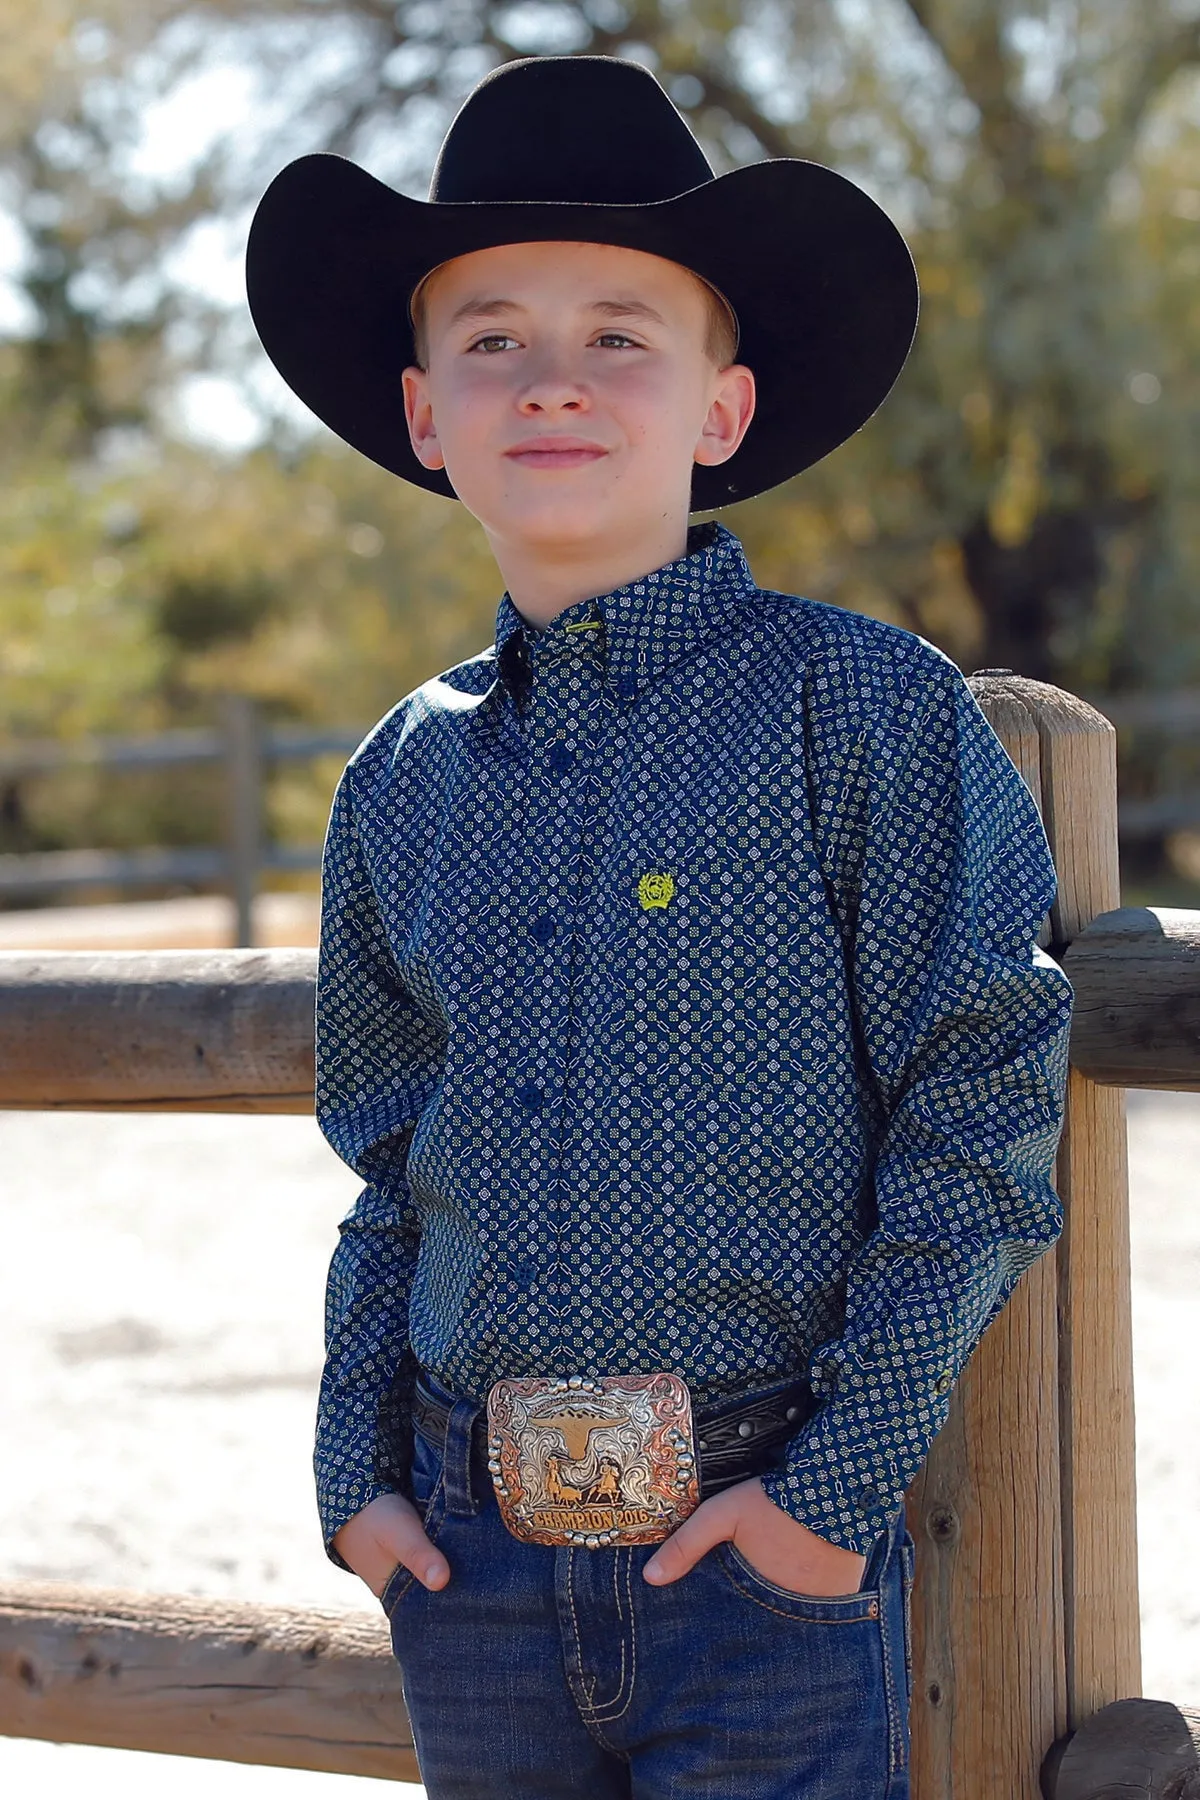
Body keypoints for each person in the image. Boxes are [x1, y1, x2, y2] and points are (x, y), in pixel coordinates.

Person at [245, 52, 1074, 1800]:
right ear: (422, 414)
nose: (553, 382)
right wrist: (358, 1483)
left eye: (622, 333)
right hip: (468, 1561)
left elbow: (984, 1099)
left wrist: (830, 1505)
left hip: (756, 1554)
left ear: (719, 410)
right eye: (493, 341)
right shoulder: (400, 778)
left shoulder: (856, 712)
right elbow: (389, 1164)